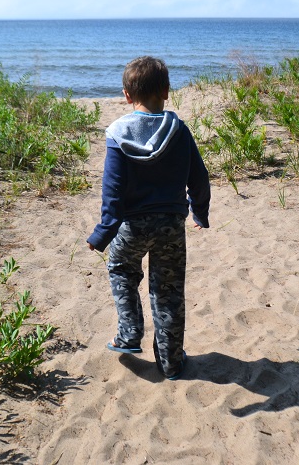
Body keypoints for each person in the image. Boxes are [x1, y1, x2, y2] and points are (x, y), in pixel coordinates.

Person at [87, 56, 211, 381]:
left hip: (130, 225)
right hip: (170, 225)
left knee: (121, 270)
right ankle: (171, 362)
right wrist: (200, 210)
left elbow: (112, 191)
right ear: (167, 91)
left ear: (127, 95)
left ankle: (129, 334)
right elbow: (199, 178)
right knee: (168, 290)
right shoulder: (179, 131)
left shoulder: (118, 134)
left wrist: (104, 231)